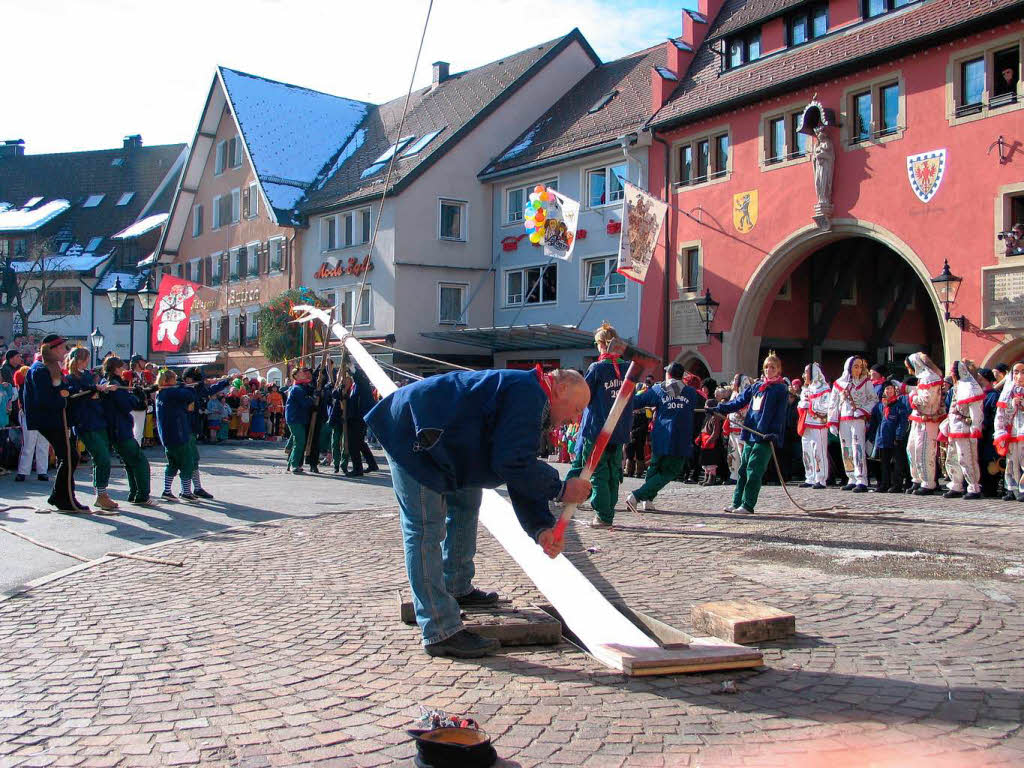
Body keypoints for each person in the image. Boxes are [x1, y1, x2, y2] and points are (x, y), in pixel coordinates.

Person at [366, 365, 591, 658]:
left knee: (467, 502)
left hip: (444, 441)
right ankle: (439, 630)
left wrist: (541, 528)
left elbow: (519, 468)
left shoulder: (533, 397)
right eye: (576, 408)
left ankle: (456, 585)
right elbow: (513, 464)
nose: (575, 419)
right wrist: (560, 490)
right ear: (560, 389)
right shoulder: (530, 394)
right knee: (424, 529)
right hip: (414, 434)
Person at [568, 323, 631, 528]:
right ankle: (608, 511)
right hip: (619, 428)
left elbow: (583, 394)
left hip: (597, 429)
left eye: (597, 344)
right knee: (614, 472)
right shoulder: (628, 367)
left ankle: (603, 515)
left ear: (603, 344)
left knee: (597, 472)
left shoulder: (597, 368)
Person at [713, 352, 789, 515]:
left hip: (765, 436)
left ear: (778, 370)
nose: (769, 370)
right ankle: (736, 502)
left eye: (773, 367)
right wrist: (719, 408)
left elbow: (781, 414)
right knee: (743, 469)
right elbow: (739, 401)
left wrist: (774, 433)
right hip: (750, 433)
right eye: (767, 366)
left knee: (754, 470)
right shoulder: (756, 386)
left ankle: (747, 505)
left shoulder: (781, 389)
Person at [22, 334, 89, 512]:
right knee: (69, 457)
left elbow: (63, 392)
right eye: (63, 348)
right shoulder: (40, 370)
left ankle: (62, 496)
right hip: (48, 419)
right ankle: (63, 498)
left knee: (68, 456)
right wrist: (63, 398)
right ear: (52, 350)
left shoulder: (51, 368)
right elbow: (46, 399)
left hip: (54, 418)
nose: (66, 351)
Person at [624, 363, 699, 513]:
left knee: (655, 467)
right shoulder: (690, 392)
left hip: (661, 434)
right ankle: (637, 496)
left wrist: (624, 397)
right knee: (670, 471)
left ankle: (648, 499)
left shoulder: (658, 389)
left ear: (669, 375)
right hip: (680, 437)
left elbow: (638, 402)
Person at [65, 348, 119, 512]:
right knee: (101, 457)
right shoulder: (70, 378)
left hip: (97, 419)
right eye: (86, 358)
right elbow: (75, 396)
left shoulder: (88, 374)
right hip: (85, 422)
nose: (88, 361)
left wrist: (103, 389)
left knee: (102, 457)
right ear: (79, 360)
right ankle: (101, 495)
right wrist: (94, 390)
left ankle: (101, 494)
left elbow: (93, 390)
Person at [101, 356, 152, 506]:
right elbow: (125, 405)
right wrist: (136, 398)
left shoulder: (107, 381)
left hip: (115, 428)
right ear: (116, 368)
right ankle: (142, 495)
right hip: (120, 428)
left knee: (130, 463)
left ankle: (134, 493)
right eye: (121, 367)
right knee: (139, 461)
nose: (124, 369)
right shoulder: (114, 384)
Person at [828, 356, 877, 493]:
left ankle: (861, 478)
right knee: (846, 448)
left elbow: (873, 399)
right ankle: (851, 477)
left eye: (860, 366)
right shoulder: (839, 383)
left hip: (858, 419)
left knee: (858, 447)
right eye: (855, 366)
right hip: (844, 419)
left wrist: (862, 410)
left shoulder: (866, 382)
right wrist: (832, 421)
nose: (858, 369)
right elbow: (833, 403)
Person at [181, 367, 230, 499]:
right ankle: (183, 491)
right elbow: (202, 392)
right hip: (185, 429)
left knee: (193, 459)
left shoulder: (194, 389)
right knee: (186, 461)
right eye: (196, 379)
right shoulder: (183, 391)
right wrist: (203, 383)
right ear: (187, 379)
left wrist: (226, 381)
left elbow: (209, 391)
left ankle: (196, 488)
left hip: (192, 428)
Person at [942, 361, 984, 500]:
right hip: (954, 429)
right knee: (953, 458)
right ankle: (956, 484)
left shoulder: (971, 387)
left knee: (966, 458)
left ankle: (973, 487)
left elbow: (975, 411)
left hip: (965, 430)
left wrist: (975, 427)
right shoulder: (957, 387)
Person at [155, 369, 198, 501]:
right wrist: (186, 386)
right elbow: (190, 396)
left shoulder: (160, 393)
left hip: (166, 436)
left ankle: (167, 491)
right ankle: (186, 491)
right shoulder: (171, 392)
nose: (177, 380)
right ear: (168, 381)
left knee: (172, 464)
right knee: (187, 463)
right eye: (175, 378)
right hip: (178, 433)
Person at [905, 352, 945, 495]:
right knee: (912, 448)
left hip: (928, 419)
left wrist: (912, 396)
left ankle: (928, 482)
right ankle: (916, 479)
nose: (909, 371)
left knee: (924, 451)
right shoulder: (923, 379)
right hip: (918, 419)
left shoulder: (930, 378)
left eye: (909, 367)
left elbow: (926, 401)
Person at [868, 380, 910, 493]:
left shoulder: (899, 405)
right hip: (883, 438)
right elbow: (874, 422)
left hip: (895, 438)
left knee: (897, 463)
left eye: (891, 389)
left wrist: (899, 435)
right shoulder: (879, 406)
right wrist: (872, 437)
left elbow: (902, 422)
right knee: (884, 463)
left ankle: (897, 484)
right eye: (887, 389)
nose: (889, 391)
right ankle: (884, 484)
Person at [14, 364, 49, 484]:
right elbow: (23, 402)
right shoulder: (24, 385)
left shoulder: (44, 385)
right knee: (29, 443)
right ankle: (23, 471)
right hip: (29, 415)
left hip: (43, 416)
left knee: (43, 443)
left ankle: (42, 471)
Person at [798, 363, 830, 489]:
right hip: (806, 423)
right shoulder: (806, 388)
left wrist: (810, 405)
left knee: (819, 451)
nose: (804, 375)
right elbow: (801, 402)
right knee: (806, 451)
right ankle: (810, 477)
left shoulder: (824, 388)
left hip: (818, 423)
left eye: (806, 372)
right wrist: (802, 404)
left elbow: (826, 406)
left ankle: (821, 478)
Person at [995, 362, 1024, 501]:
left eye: (1023, 372)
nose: (1019, 376)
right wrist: (1000, 431)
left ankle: (1023, 489)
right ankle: (1011, 489)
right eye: (1016, 372)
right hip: (1011, 430)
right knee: (1011, 461)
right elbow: (1001, 413)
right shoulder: (1008, 391)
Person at [346, 364, 379, 475]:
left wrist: (351, 366)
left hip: (358, 417)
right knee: (360, 443)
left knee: (353, 444)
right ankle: (372, 464)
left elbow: (358, 376)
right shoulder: (357, 385)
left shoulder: (362, 383)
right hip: (356, 417)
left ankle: (357, 469)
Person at [724, 374, 752, 485]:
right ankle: (734, 476)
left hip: (742, 430)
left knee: (743, 454)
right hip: (732, 428)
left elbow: (746, 411)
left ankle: (745, 476)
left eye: (735, 380)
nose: (733, 382)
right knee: (732, 454)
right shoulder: (734, 394)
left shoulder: (746, 395)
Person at [976, 367, 1001, 497]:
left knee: (990, 461)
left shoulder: (994, 395)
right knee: (980, 460)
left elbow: (994, 416)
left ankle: (991, 488)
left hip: (989, 434)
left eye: (980, 377)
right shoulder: (978, 394)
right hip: (979, 435)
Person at [285, 367, 314, 474]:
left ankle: (291, 463)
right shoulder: (297, 388)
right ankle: (294, 465)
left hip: (297, 418)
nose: (304, 374)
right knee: (300, 442)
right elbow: (305, 403)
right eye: (301, 373)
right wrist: (312, 399)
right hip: (295, 418)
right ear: (296, 376)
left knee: (297, 441)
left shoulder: (299, 387)